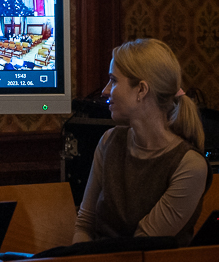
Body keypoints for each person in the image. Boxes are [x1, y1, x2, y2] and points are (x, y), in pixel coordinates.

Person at [72, 38, 210, 246]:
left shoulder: (190, 165)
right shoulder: (109, 141)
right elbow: (84, 225)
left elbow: (142, 246)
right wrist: (79, 261)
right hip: (99, 261)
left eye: (114, 81)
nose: (105, 91)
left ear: (141, 90)